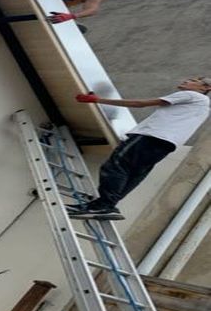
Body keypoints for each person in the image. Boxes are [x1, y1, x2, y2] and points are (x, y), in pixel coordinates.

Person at [68, 77, 211, 220]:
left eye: (193, 80)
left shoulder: (192, 95)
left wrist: (97, 100)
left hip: (150, 136)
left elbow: (139, 104)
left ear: (205, 88)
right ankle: (103, 206)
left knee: (115, 165)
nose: (185, 80)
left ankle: (104, 205)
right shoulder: (204, 107)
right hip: (166, 145)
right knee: (134, 174)